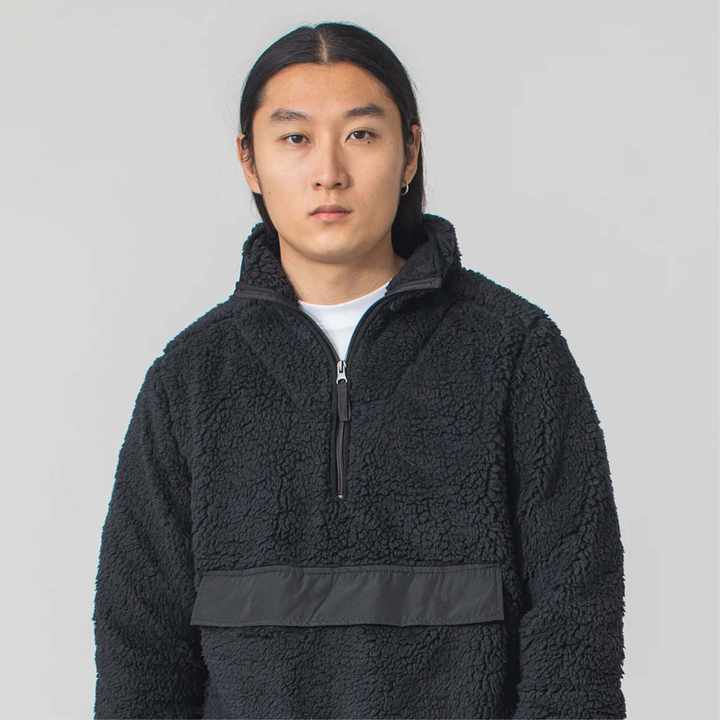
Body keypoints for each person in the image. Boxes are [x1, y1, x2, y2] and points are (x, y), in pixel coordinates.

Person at [92, 21, 627, 720]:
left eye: (361, 134)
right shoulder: (189, 380)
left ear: (410, 153)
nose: (329, 171)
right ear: (249, 162)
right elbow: (140, 657)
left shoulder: (516, 351)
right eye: (294, 138)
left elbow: (575, 628)